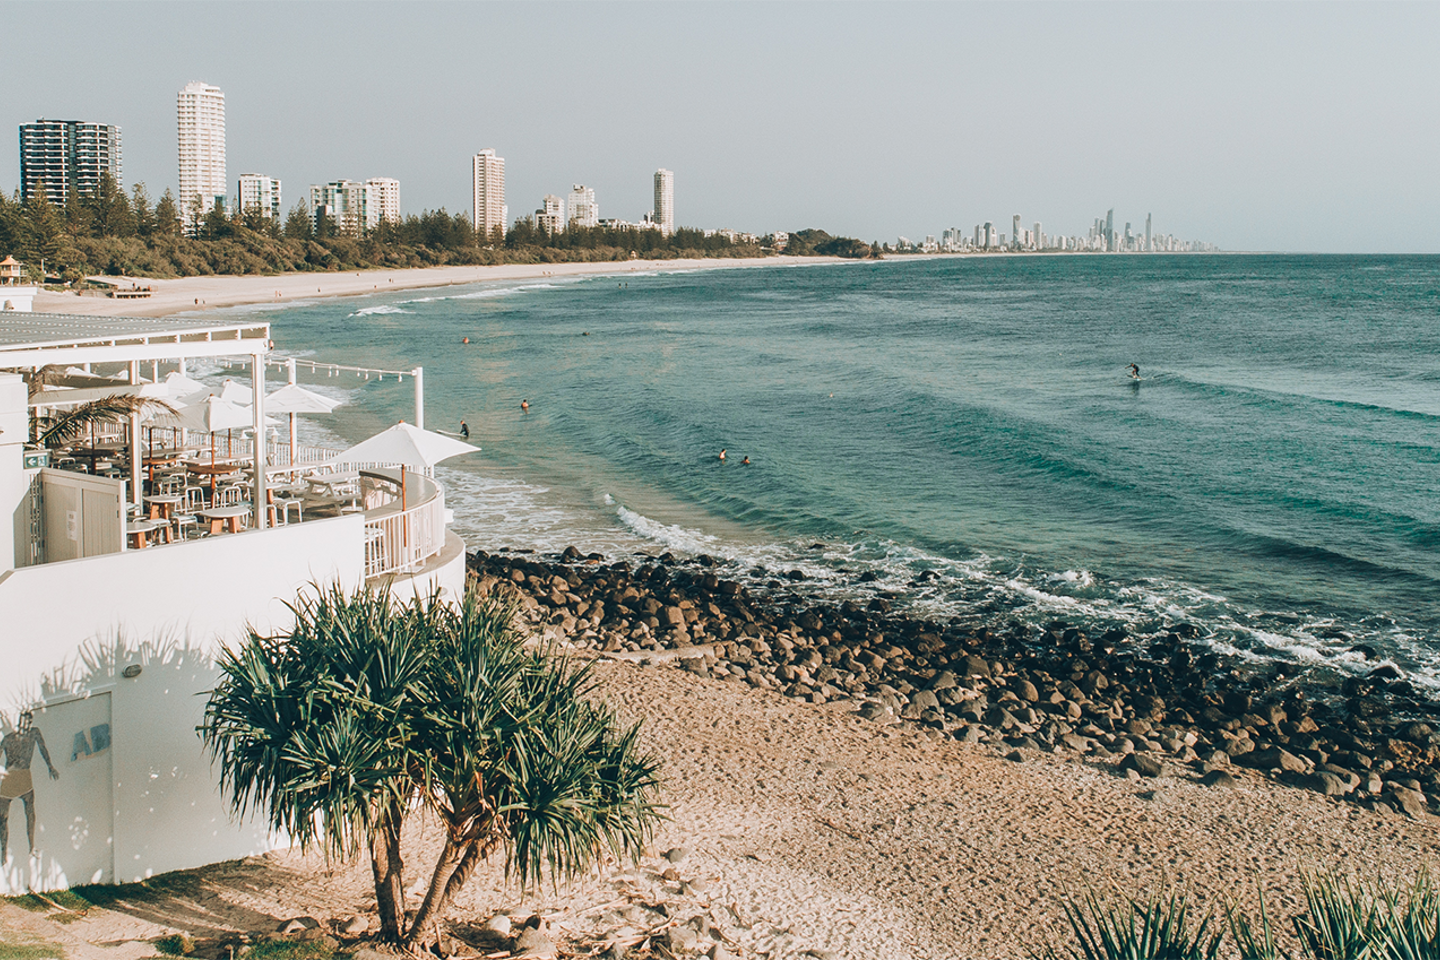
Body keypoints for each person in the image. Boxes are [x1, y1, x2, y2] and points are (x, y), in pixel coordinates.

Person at [0, 711, 58, 863]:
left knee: (30, 812)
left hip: (24, 776)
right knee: (3, 818)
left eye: (27, 722)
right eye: (22, 722)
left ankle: (31, 847)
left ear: (30, 722)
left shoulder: (34, 733)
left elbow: (43, 749)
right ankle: (3, 853)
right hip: (10, 779)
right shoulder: (7, 739)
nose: (24, 725)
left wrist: (50, 766)